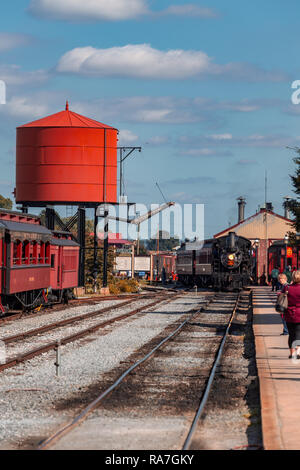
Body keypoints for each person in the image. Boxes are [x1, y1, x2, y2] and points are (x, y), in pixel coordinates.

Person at [282, 270, 300, 359]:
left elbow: (282, 297)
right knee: (298, 334)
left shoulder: (287, 288)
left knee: (291, 334)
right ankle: (298, 352)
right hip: (299, 314)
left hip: (289, 314)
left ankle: (292, 353)